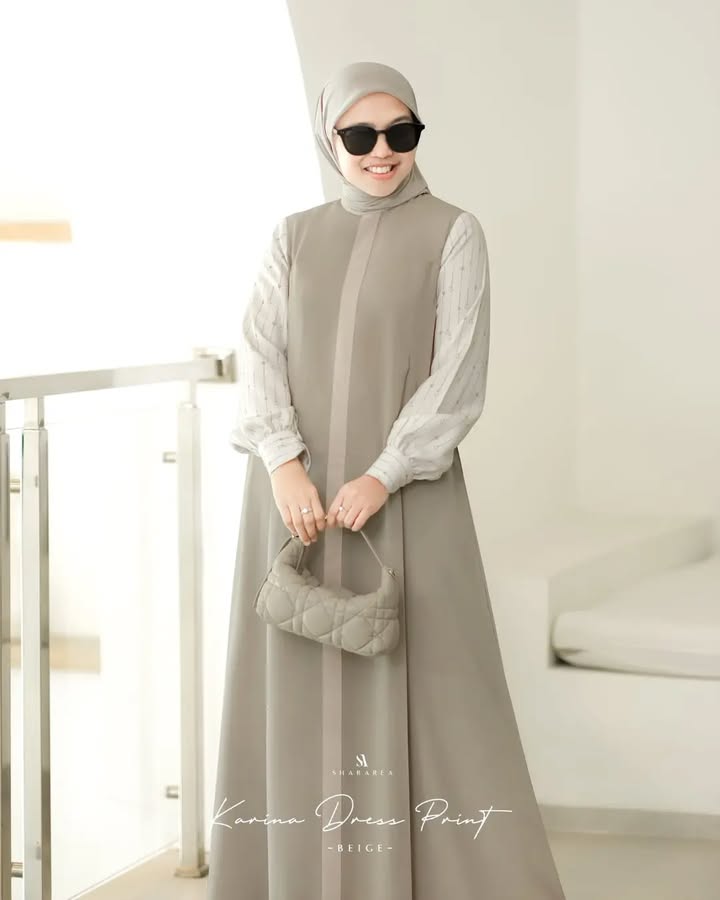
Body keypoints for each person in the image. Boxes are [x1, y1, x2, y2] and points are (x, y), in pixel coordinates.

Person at [207, 60, 566, 900]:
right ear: (328, 137)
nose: (381, 150)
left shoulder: (452, 232)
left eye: (400, 131)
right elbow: (260, 350)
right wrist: (282, 463)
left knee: (438, 693)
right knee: (293, 690)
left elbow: (458, 372)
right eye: (360, 134)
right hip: (293, 502)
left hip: (406, 498)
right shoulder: (293, 237)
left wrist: (384, 472)